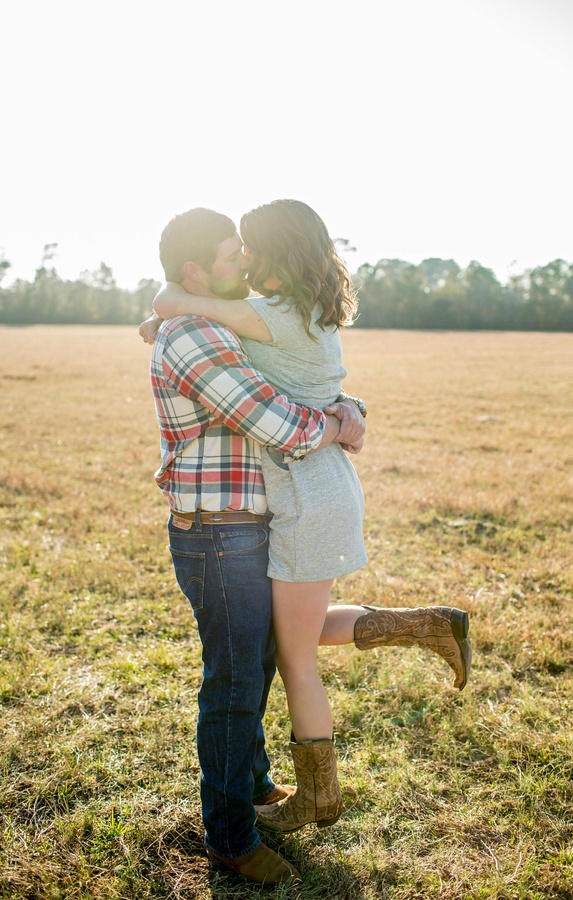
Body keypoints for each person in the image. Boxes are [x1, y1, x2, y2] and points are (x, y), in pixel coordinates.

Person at [145, 200, 472, 842]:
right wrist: (346, 413)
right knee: (280, 634)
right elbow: (291, 378)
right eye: (232, 253)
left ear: (273, 255)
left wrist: (169, 305)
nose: (243, 259)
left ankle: (312, 798)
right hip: (318, 488)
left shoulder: (256, 316)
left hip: (298, 489)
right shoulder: (311, 314)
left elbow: (179, 314)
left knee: (290, 657)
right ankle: (428, 626)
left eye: (249, 249)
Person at [147, 206, 367, 886]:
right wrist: (337, 423)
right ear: (194, 273)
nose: (243, 261)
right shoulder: (194, 336)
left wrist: (345, 405)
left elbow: (293, 376)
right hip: (219, 536)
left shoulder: (222, 324)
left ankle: (257, 781)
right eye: (228, 254)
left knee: (259, 663)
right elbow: (278, 422)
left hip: (250, 526)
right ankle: (232, 839)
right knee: (237, 684)